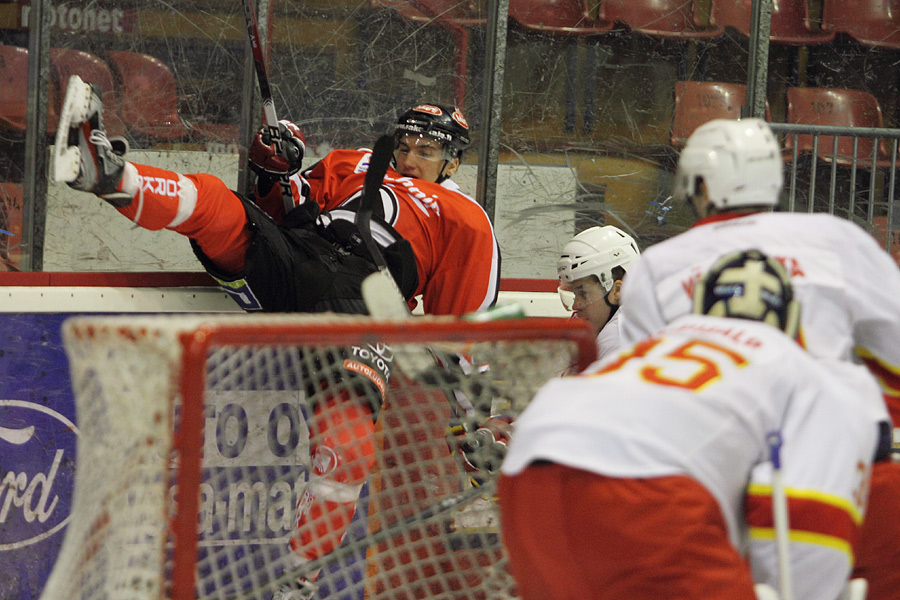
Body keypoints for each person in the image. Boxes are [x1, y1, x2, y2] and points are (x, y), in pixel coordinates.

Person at [53, 74, 501, 596]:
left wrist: (477, 427)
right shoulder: (348, 163)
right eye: (402, 146)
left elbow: (465, 333)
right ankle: (107, 173)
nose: (408, 158)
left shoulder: (466, 217)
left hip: (367, 297)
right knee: (217, 203)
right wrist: (272, 165)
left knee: (349, 447)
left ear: (453, 162)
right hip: (299, 255)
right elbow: (278, 207)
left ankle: (296, 585)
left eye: (425, 150)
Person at [617, 117, 900, 600]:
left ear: (700, 185)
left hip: (722, 466)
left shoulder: (658, 265)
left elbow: (650, 398)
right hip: (839, 460)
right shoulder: (836, 239)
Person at [498, 249, 886, 600]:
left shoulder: (660, 339)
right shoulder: (801, 368)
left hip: (529, 477)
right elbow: (804, 527)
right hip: (641, 493)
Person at [556, 225, 640, 361]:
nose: (575, 306)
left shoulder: (618, 343)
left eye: (583, 293)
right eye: (574, 293)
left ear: (617, 291)